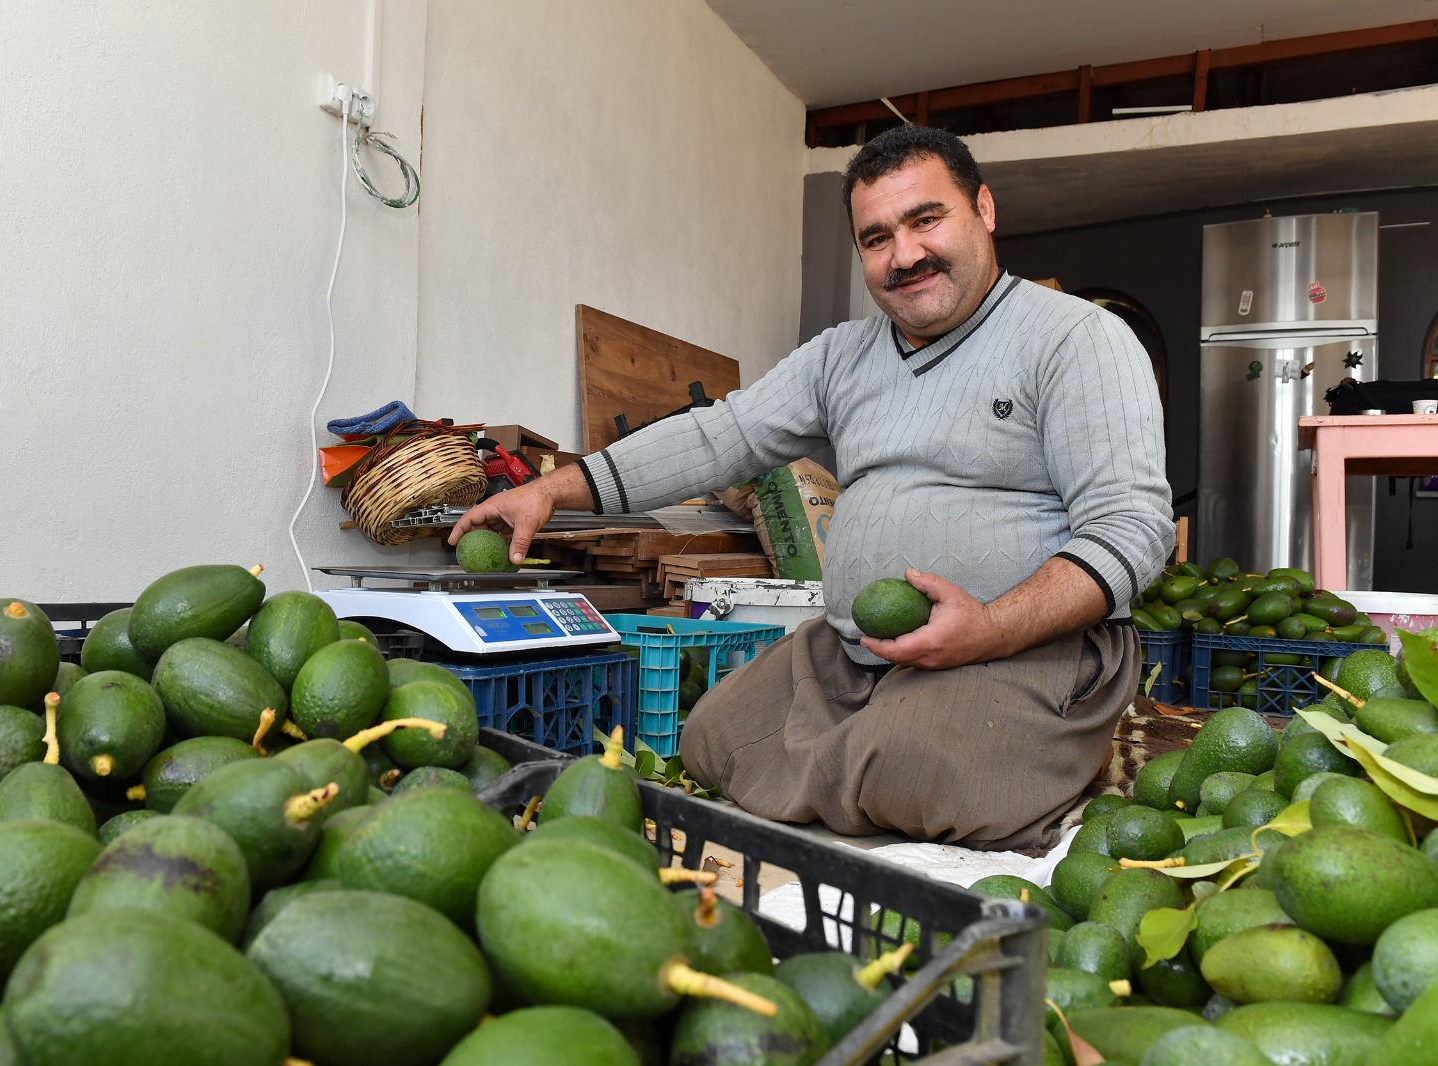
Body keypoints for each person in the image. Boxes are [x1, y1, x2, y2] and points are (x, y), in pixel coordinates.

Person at [448, 124, 1174, 850]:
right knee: (714, 740)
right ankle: (876, 760)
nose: (905, 255)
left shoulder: (1076, 338)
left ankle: (900, 762)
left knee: (908, 768)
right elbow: (720, 435)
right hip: (855, 651)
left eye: (926, 220)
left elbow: (1132, 529)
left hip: (1025, 649)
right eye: (877, 238)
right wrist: (553, 491)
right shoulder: (839, 357)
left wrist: (989, 627)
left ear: (983, 209)